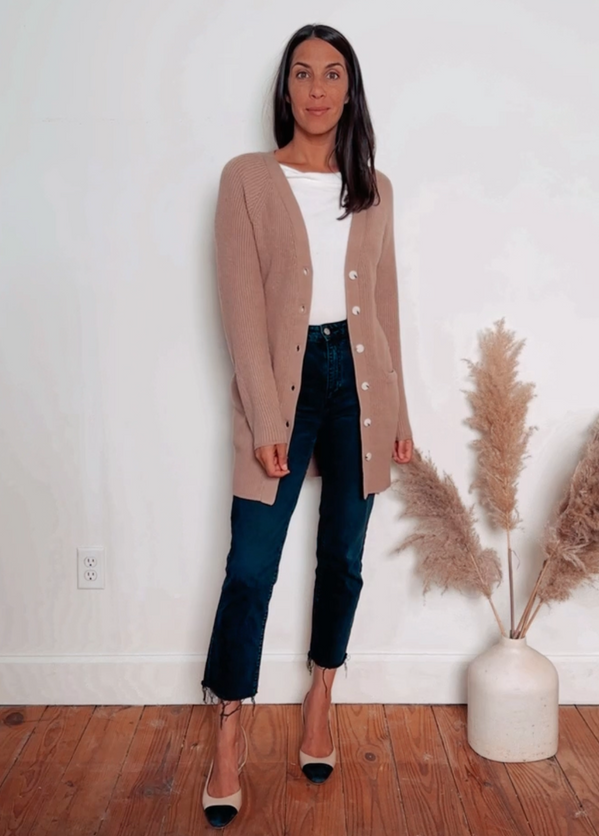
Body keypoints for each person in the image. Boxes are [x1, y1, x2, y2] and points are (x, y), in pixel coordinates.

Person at [200, 22, 414, 828]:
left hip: (360, 386)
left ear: (350, 91)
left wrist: (397, 412)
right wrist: (265, 415)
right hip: (282, 389)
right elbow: (240, 308)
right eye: (302, 73)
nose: (317, 89)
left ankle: (321, 694)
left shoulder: (374, 187)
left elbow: (384, 307)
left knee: (343, 559)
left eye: (331, 74)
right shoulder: (247, 178)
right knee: (251, 567)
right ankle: (229, 730)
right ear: (284, 89)